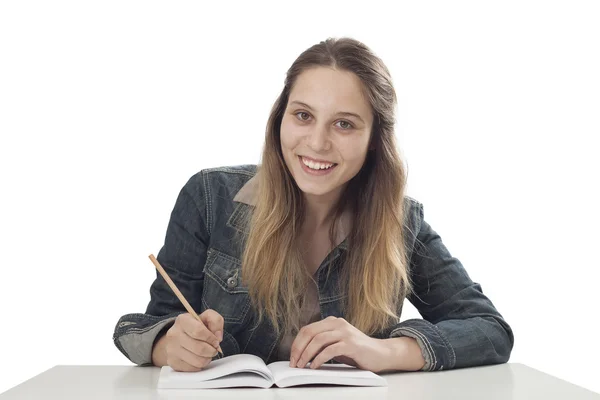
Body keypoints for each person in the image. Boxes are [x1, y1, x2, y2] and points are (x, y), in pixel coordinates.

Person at [113, 37, 514, 373]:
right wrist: (168, 345)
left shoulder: (402, 223)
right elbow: (145, 325)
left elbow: (489, 329)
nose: (318, 143)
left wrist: (383, 351)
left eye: (344, 124)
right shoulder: (208, 197)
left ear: (375, 138)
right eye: (303, 115)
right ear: (280, 120)